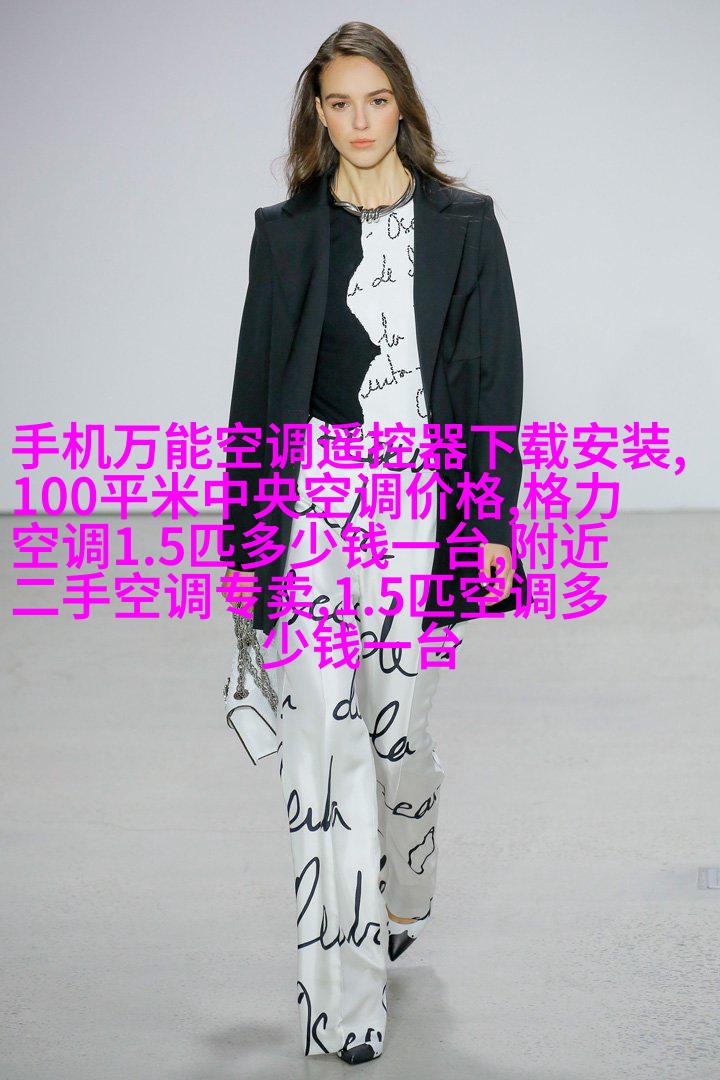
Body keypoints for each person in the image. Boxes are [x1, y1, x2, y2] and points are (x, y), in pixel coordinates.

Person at [220, 21, 527, 1065]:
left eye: (377, 100)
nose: (359, 121)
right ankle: (343, 1007)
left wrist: (490, 521)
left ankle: (409, 880)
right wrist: (245, 540)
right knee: (324, 746)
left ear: (403, 105)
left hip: (418, 506)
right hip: (310, 500)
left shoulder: (465, 227)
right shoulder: (284, 235)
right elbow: (256, 393)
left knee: (398, 744)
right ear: (318, 111)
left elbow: (491, 383)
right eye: (340, 102)